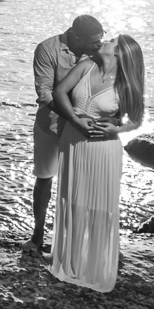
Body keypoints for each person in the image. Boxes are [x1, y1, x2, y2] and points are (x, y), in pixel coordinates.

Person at [49, 34, 146, 292]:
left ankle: (94, 267)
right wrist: (74, 118)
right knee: (72, 199)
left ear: (121, 54)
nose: (107, 40)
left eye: (113, 40)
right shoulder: (86, 65)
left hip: (103, 149)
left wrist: (117, 130)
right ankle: (69, 262)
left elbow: (136, 119)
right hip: (73, 139)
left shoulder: (126, 84)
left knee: (99, 206)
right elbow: (58, 91)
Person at [30, 15, 105, 251]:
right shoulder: (48, 49)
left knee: (82, 182)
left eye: (100, 39)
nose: (98, 45)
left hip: (87, 129)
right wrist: (73, 118)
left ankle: (76, 238)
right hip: (51, 125)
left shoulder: (100, 52)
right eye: (94, 41)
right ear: (76, 37)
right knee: (44, 179)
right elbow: (45, 92)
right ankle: (38, 234)